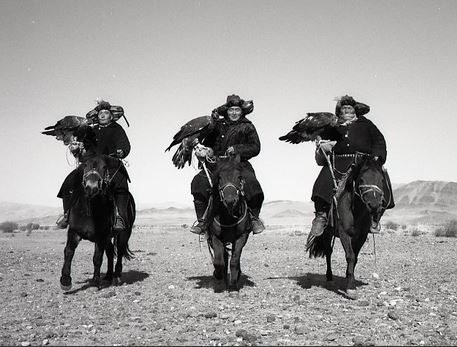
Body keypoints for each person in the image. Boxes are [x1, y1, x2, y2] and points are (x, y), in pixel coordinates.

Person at [310, 95, 391, 236]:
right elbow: (323, 139)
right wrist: (321, 142)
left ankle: (375, 216)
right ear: (339, 112)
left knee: (381, 180)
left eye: (350, 107)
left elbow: (379, 141)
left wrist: (378, 157)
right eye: (344, 108)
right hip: (338, 163)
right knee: (322, 182)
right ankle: (321, 216)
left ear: (355, 111)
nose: (346, 110)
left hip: (364, 163)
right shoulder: (333, 126)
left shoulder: (367, 124)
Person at [189, 94, 265, 235]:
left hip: (239, 164)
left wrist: (237, 149)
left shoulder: (247, 127)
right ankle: (202, 221)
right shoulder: (217, 126)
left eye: (237, 110)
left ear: (242, 111)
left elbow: (256, 147)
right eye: (231, 110)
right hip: (217, 164)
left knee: (253, 184)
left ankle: (254, 218)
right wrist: (206, 151)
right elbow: (208, 144)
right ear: (226, 111)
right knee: (198, 182)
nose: (234, 113)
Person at [56, 100, 131, 231]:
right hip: (90, 164)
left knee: (121, 185)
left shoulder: (117, 129)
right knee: (69, 183)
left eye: (106, 113)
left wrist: (122, 151)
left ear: (111, 116)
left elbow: (125, 145)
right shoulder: (90, 130)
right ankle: (67, 214)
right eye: (100, 113)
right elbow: (84, 148)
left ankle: (120, 217)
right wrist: (76, 150)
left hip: (110, 164)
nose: (102, 115)